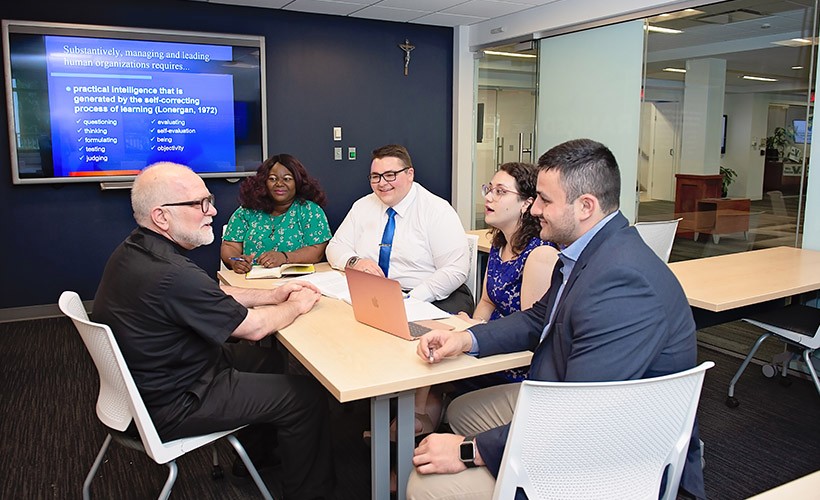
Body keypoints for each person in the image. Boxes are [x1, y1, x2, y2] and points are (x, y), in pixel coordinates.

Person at [407, 139, 705, 500]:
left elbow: (580, 416)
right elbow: (538, 319)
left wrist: (469, 451)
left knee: (427, 485)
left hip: (611, 449)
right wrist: (467, 339)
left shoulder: (623, 282)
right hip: (571, 396)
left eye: (545, 201)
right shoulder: (591, 252)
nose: (534, 210)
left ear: (585, 206)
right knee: (463, 409)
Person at [93, 162, 335, 500]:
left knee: (264, 360)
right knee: (306, 396)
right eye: (200, 203)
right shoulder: (172, 274)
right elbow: (254, 327)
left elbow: (212, 295)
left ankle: (258, 455)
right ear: (162, 217)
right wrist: (297, 304)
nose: (213, 211)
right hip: (177, 401)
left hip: (152, 382)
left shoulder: (135, 251)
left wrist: (273, 294)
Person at [326, 144, 472, 314]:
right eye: (375, 177)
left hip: (428, 297)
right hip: (374, 294)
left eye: (390, 175)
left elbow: (455, 270)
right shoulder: (363, 206)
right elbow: (335, 247)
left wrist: (409, 300)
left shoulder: (437, 210)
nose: (382, 183)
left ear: (410, 174)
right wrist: (355, 262)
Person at [221, 154, 331, 274]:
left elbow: (317, 251)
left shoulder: (310, 211)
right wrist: (235, 261)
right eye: (272, 179)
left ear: (298, 182)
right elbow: (230, 246)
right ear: (264, 182)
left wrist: (284, 258)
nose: (279, 183)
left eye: (287, 179)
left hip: (297, 281)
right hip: (251, 282)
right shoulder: (247, 211)